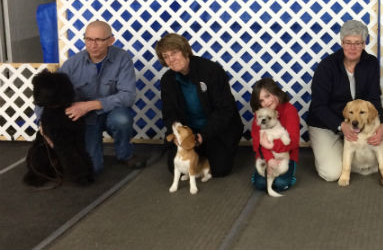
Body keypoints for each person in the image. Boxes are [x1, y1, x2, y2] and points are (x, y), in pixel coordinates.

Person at [307, 19, 383, 182]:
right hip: (327, 120)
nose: (352, 47)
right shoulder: (326, 67)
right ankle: (344, 148)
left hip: (359, 117)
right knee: (331, 174)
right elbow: (318, 107)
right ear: (341, 43)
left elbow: (373, 98)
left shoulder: (370, 63)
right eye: (348, 42)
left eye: (358, 43)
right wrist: (340, 125)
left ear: (364, 44)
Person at [38, 20, 143, 174]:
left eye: (99, 40)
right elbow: (48, 94)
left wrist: (89, 105)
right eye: (88, 39)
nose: (93, 45)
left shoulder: (122, 58)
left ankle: (125, 155)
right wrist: (41, 122)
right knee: (93, 168)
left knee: (122, 119)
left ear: (111, 40)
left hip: (112, 112)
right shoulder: (72, 64)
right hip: (85, 119)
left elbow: (128, 96)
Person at [156, 33, 244, 177]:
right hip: (188, 133)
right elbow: (169, 113)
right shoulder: (167, 80)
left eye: (174, 53)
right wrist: (177, 135)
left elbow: (224, 110)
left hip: (215, 130)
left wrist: (203, 135)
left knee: (220, 169)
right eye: (166, 56)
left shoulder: (212, 71)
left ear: (185, 51)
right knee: (174, 168)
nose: (171, 59)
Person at [250, 78, 300, 192]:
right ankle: (258, 175)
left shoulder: (290, 110)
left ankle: (290, 174)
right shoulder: (259, 114)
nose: (266, 102)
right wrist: (269, 159)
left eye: (267, 96)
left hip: (286, 154)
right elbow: (258, 142)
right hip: (265, 156)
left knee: (280, 184)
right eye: (261, 100)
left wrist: (271, 146)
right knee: (260, 184)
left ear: (275, 91)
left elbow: (293, 141)